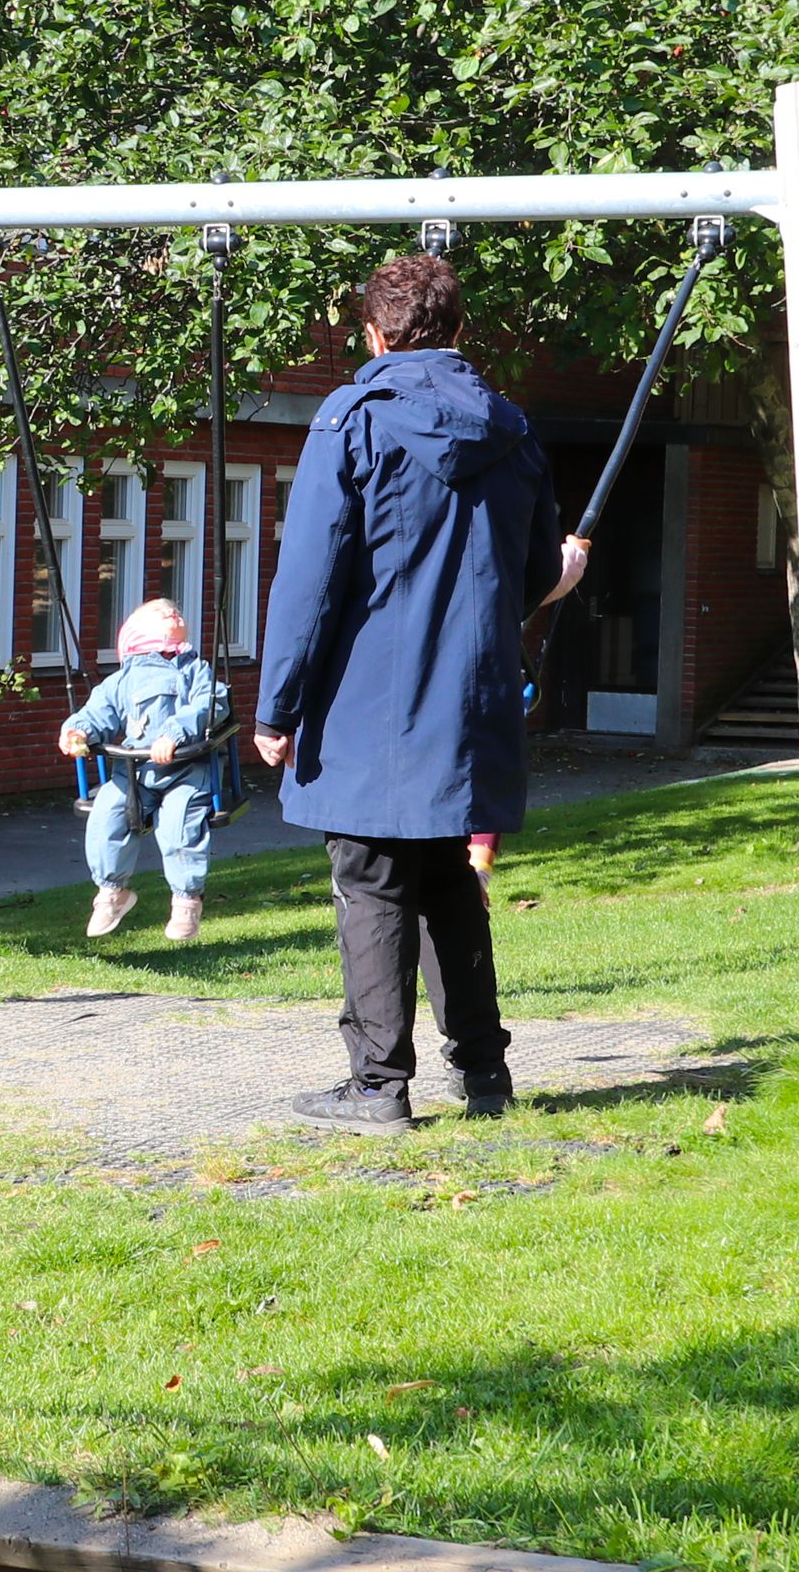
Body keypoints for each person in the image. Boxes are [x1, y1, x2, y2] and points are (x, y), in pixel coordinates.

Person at [252, 254, 587, 1134]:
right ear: (458, 331)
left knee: (370, 884)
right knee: (447, 879)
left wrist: (275, 708)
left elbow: (309, 579)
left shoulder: (351, 421)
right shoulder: (513, 430)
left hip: (367, 704)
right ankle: (484, 1074)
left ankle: (375, 1088)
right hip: (469, 705)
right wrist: (564, 572)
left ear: (374, 331)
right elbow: (530, 574)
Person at [56, 598, 227, 940]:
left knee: (180, 827)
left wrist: (174, 733)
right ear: (135, 631)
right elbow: (98, 712)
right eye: (161, 611)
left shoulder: (194, 670)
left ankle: (186, 901)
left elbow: (212, 703)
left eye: (176, 610)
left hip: (187, 771)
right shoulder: (123, 680)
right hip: (135, 773)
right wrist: (78, 730)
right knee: (106, 814)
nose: (172, 611)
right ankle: (111, 891)